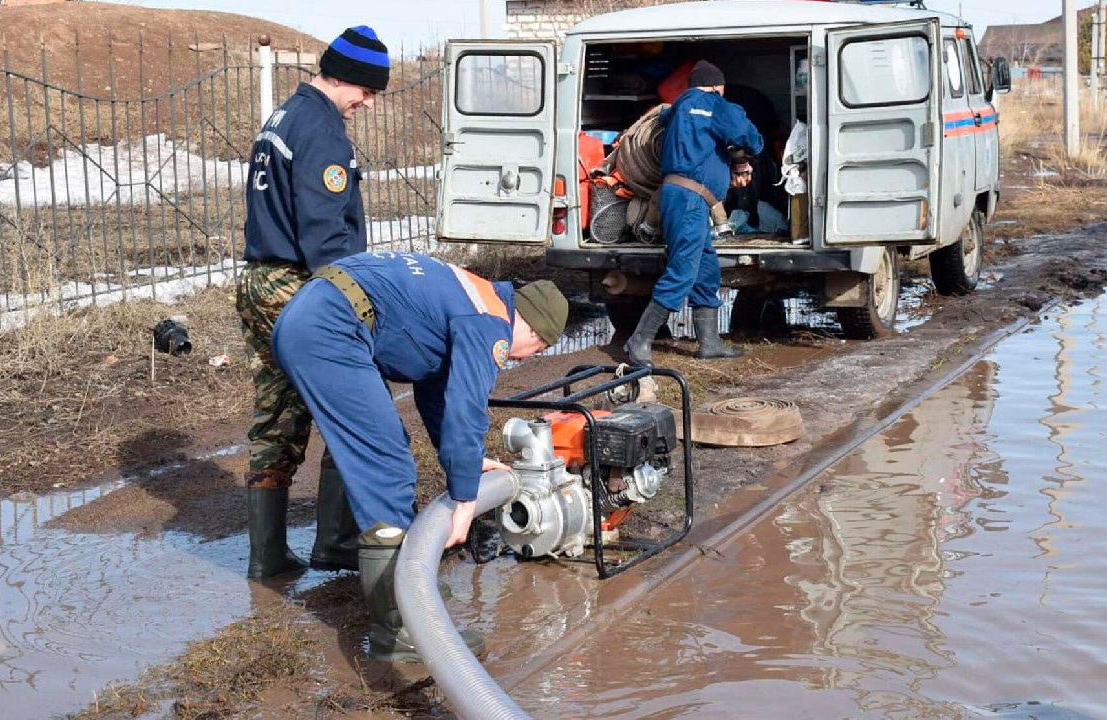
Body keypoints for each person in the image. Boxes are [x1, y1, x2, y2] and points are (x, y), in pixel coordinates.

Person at [271, 250, 568, 661]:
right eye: (533, 350)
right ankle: (399, 631)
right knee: (386, 462)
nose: (521, 359)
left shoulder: (474, 295)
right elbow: (467, 407)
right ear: (535, 332)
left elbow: (437, 392)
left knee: (371, 440)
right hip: (331, 327)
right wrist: (465, 500)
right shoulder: (489, 322)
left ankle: (358, 556)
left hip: (313, 311)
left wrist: (466, 463)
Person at [237, 25, 391, 579]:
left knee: (277, 415)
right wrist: (357, 301)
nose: (366, 105)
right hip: (303, 287)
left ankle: (267, 555)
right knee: (355, 405)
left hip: (260, 280)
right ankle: (339, 540)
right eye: (366, 93)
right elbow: (325, 235)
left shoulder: (283, 116)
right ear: (346, 78)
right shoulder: (322, 129)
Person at [625, 60, 764, 367]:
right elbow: (746, 135)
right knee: (683, 270)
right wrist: (744, 156)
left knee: (705, 268)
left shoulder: (677, 107)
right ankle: (639, 341)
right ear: (718, 86)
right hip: (690, 198)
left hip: (678, 195)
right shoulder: (714, 103)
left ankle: (710, 343)